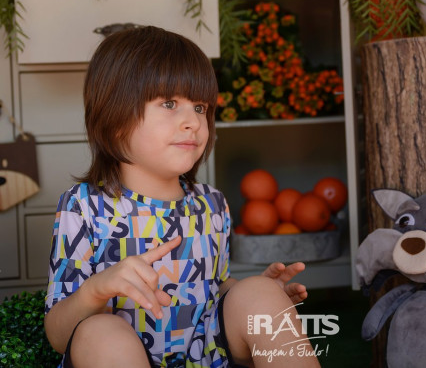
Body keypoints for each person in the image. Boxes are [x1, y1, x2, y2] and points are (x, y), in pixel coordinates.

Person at [44, 26, 321, 368]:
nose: (193, 121)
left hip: (205, 357)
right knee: (100, 331)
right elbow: (58, 334)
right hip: (119, 357)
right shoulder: (83, 206)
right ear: (115, 118)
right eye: (170, 103)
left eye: (201, 107)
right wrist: (96, 290)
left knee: (257, 294)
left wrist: (256, 296)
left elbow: (214, 287)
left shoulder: (212, 204)